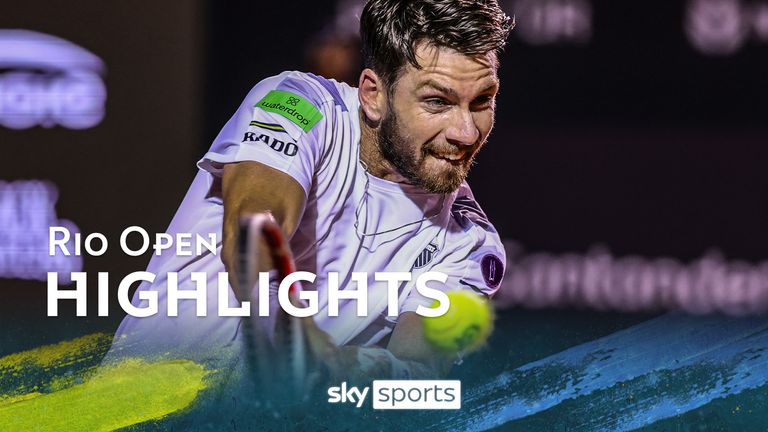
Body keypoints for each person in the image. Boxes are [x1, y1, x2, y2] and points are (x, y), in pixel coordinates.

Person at [107, 0, 512, 382]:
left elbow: (416, 375)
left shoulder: (469, 244)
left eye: (482, 101)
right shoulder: (299, 103)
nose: (467, 132)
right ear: (374, 95)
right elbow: (254, 230)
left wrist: (369, 377)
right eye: (438, 101)